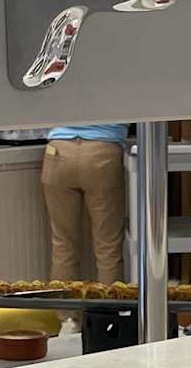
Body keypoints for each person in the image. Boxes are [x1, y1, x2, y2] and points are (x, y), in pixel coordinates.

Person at [40, 122, 128, 284]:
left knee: (63, 246)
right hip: (103, 151)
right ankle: (107, 300)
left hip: (58, 150)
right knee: (108, 249)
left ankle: (64, 301)